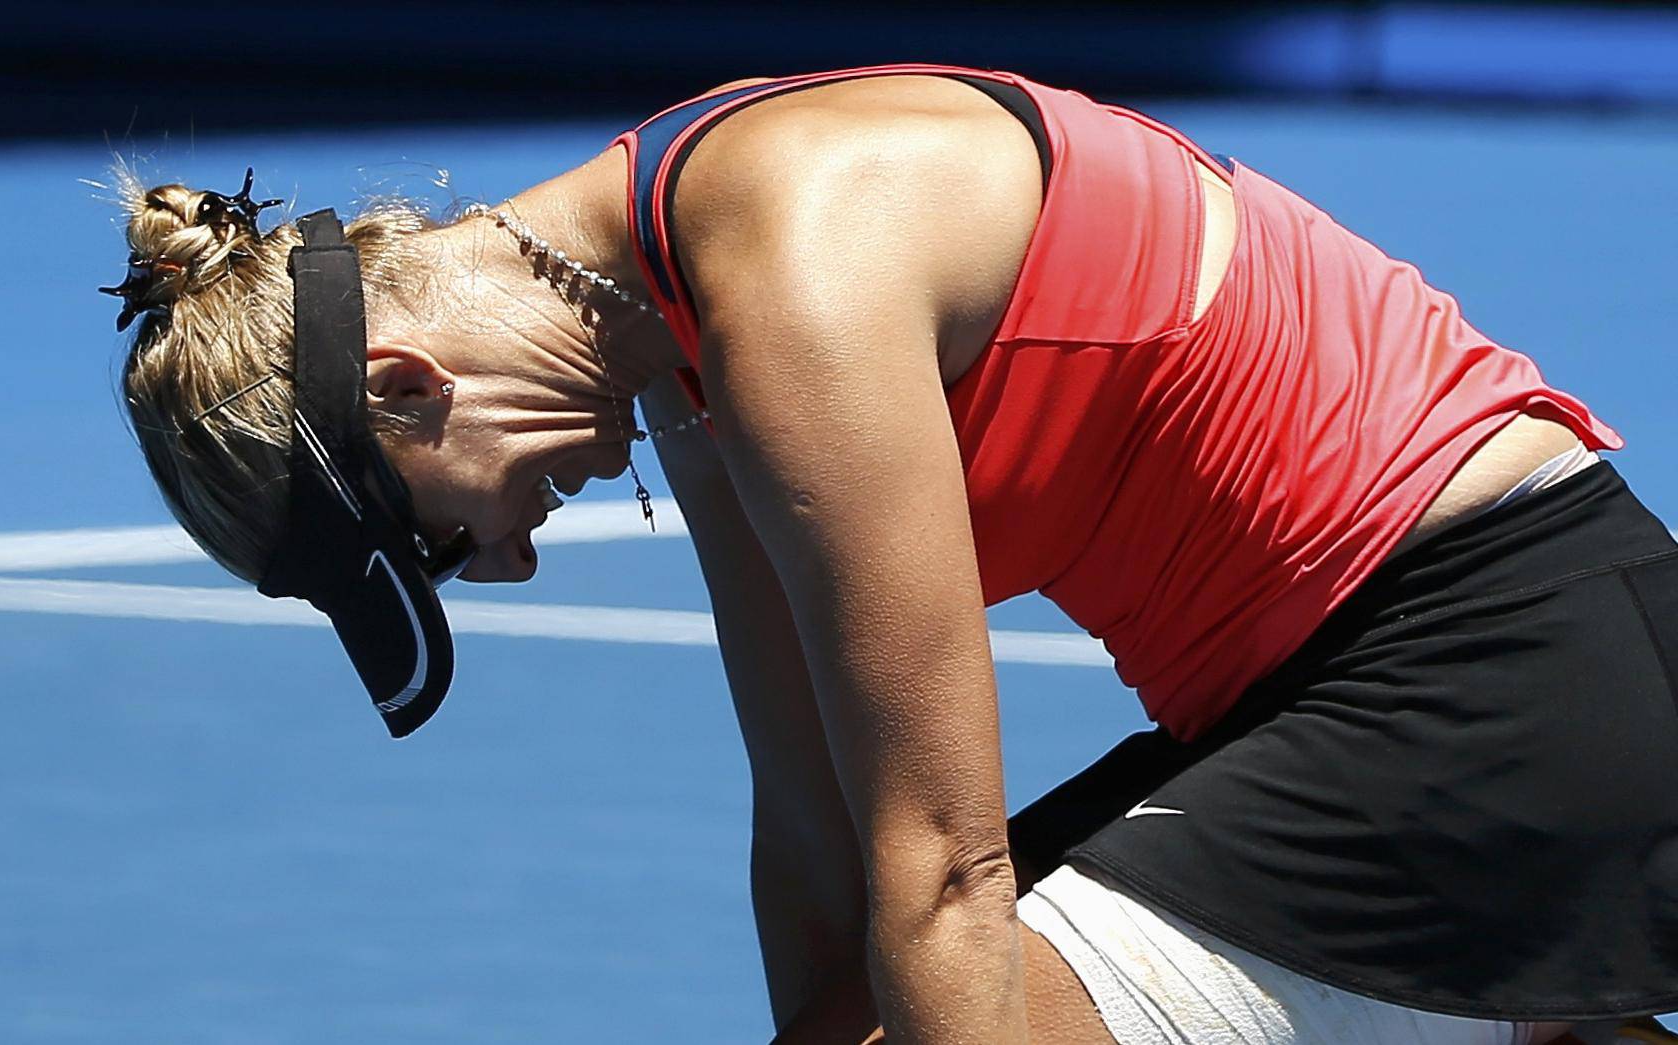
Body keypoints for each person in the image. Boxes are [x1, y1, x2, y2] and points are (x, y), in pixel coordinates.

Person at [101, 63, 1678, 1044]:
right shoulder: (682, 326)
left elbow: (939, 869)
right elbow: (813, 830)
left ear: (408, 388)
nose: (497, 567)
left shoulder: (789, 262)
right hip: (1373, 703)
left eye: (435, 544)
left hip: (1506, 691)